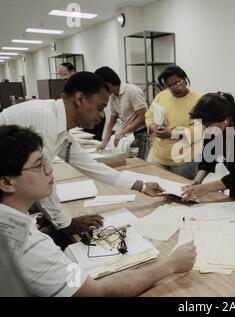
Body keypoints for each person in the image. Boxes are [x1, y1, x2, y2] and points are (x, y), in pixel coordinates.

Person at [0, 125, 196, 296]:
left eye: (46, 161)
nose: (49, 170)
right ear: (7, 182)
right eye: (38, 165)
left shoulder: (11, 222)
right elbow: (95, 292)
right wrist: (170, 265)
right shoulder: (30, 246)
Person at [0, 72, 164, 234]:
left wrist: (141, 186)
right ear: (79, 99)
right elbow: (39, 178)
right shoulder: (44, 118)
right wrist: (65, 223)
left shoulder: (60, 127)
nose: (101, 116)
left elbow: (91, 166)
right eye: (100, 108)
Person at [182, 92, 235, 205]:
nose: (206, 129)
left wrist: (208, 187)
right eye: (204, 125)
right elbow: (208, 156)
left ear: (225, 119)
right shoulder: (212, 124)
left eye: (208, 125)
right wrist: (198, 180)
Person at [145, 65, 202, 180]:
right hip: (159, 158)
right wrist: (152, 126)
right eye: (169, 86)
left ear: (185, 79)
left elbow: (198, 130)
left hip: (184, 162)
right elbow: (149, 115)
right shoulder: (161, 96)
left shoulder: (197, 101)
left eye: (177, 83)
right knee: (158, 192)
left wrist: (171, 133)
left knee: (180, 194)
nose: (174, 88)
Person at [95, 66, 149, 159]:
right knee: (126, 163)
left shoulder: (132, 91)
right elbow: (112, 120)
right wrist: (104, 142)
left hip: (139, 135)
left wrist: (123, 132)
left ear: (108, 84)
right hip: (127, 135)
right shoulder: (112, 96)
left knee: (138, 165)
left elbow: (142, 116)